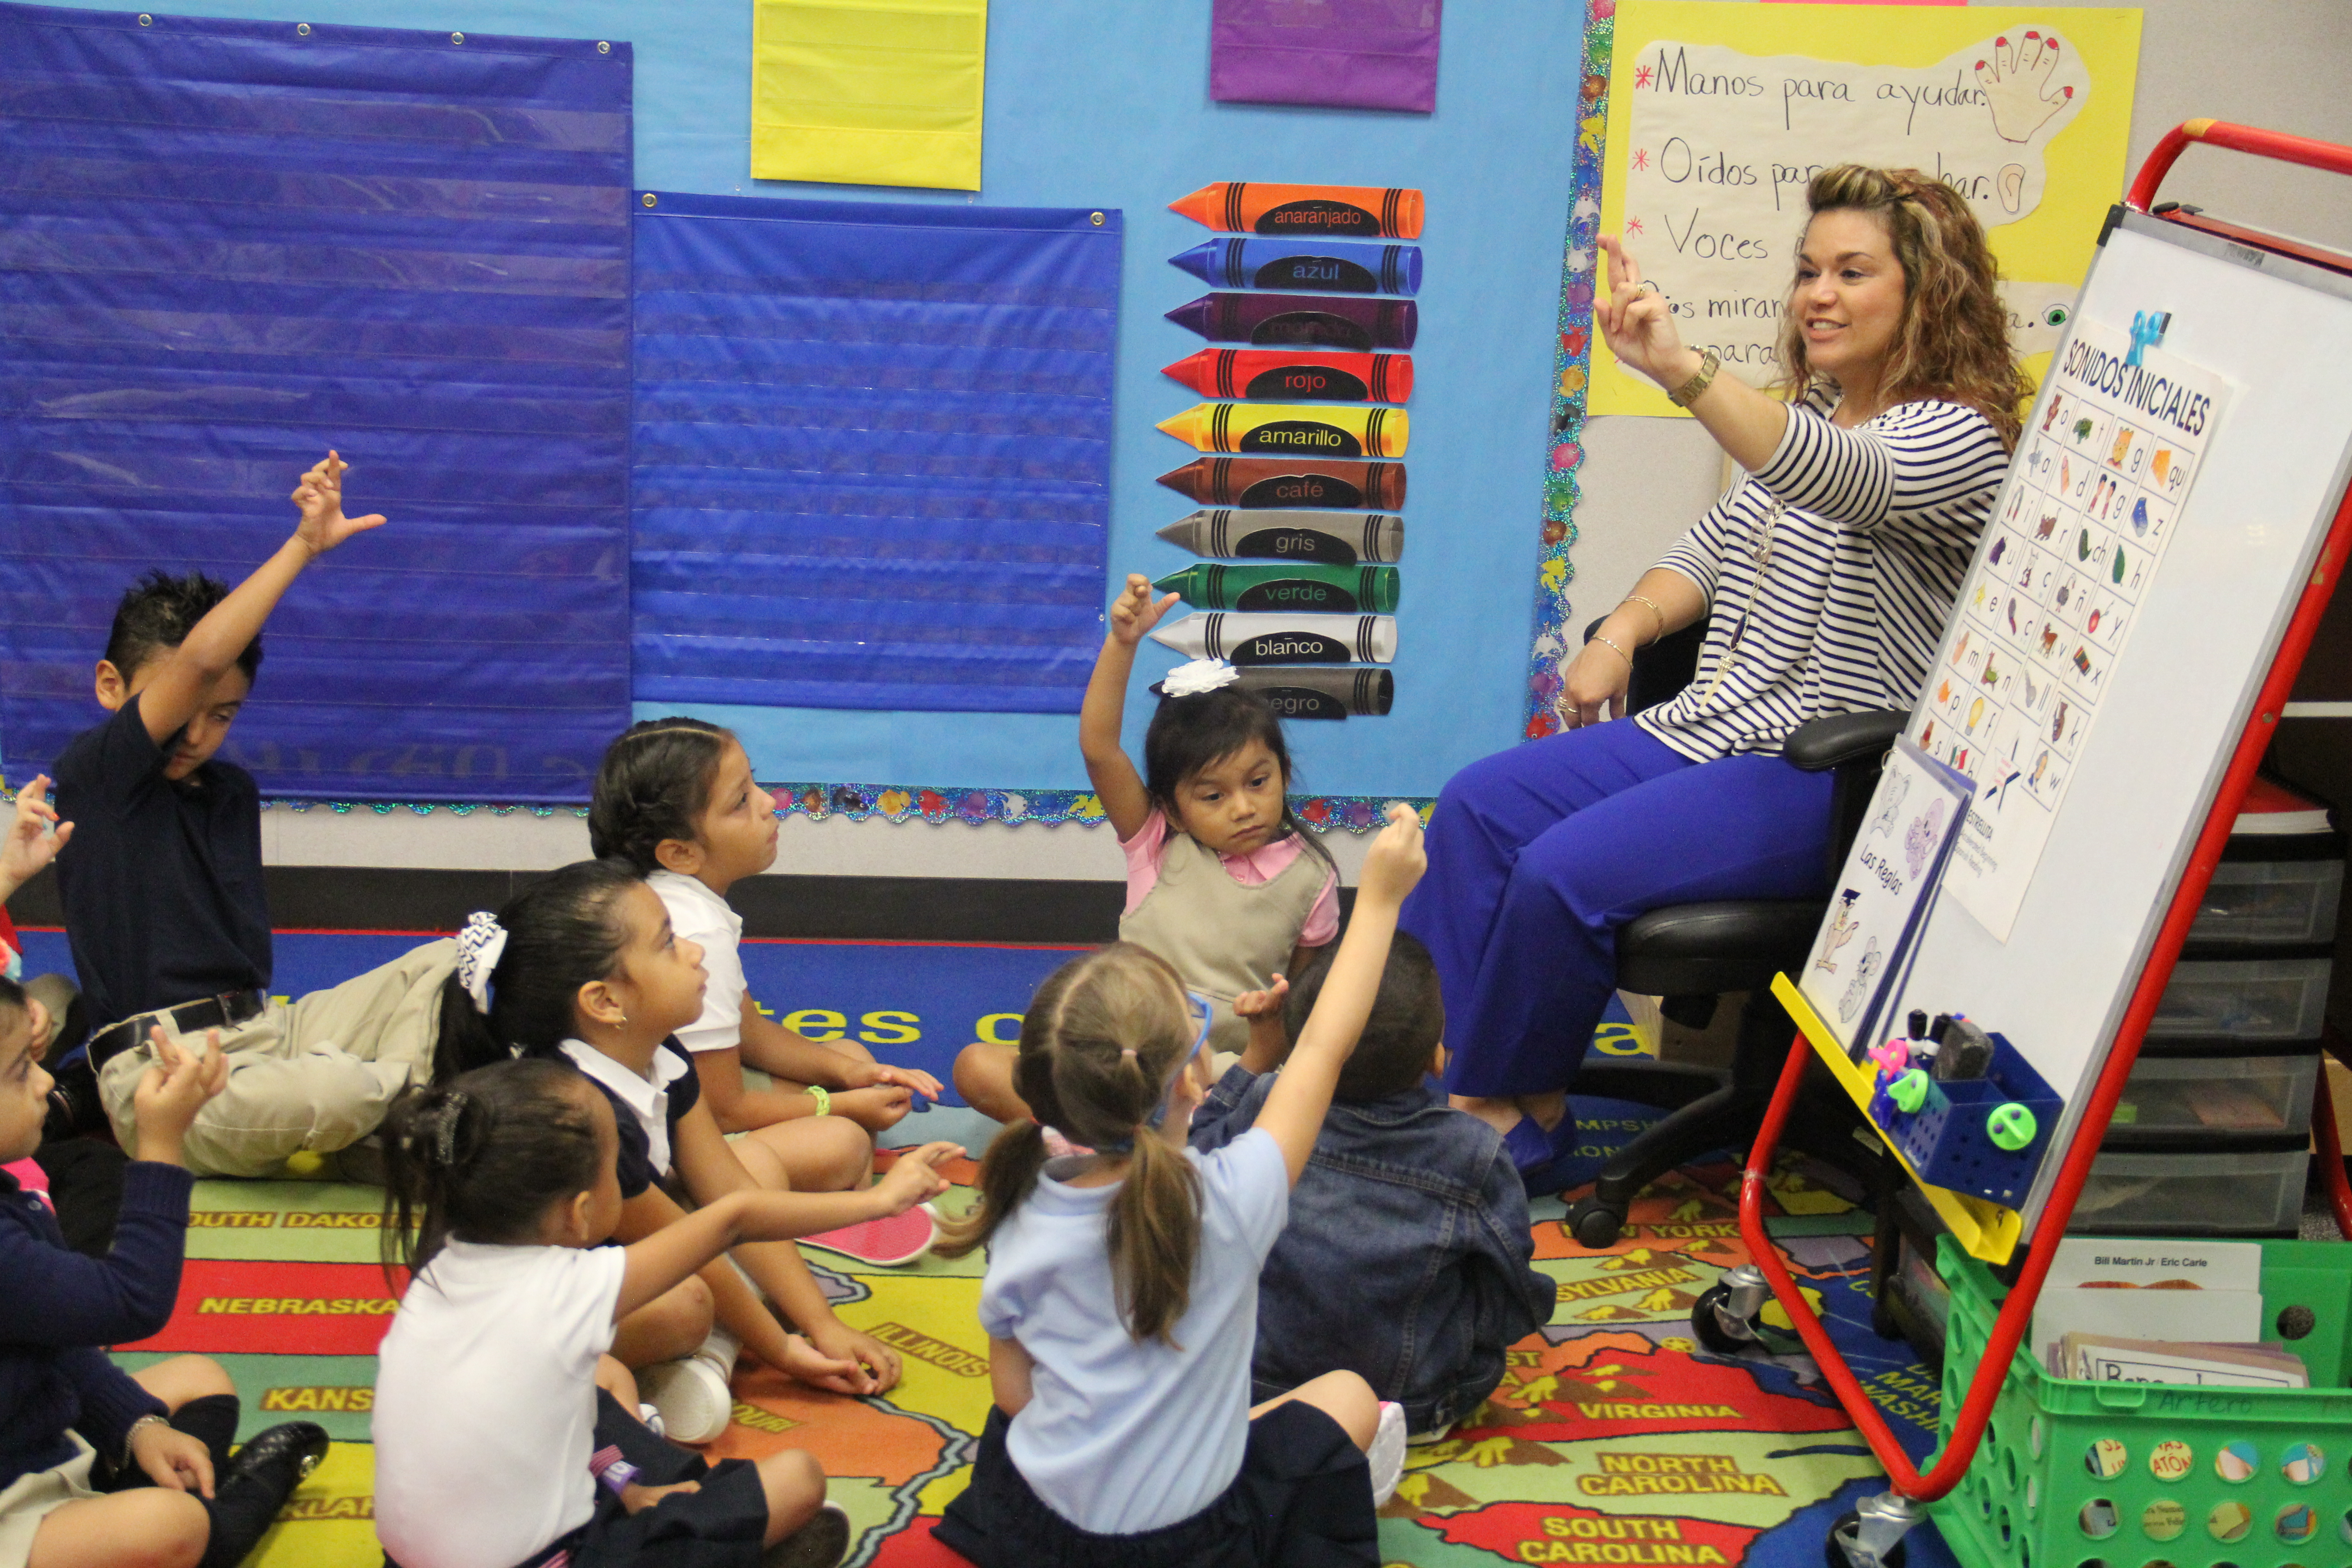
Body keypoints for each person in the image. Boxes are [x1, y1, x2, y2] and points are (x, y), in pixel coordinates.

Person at [1405, 165, 2029, 1183]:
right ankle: (1425, 1088)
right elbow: (1705, 550)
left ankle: (1515, 1112)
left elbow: (1834, 473)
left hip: (1830, 772)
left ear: (1928, 292)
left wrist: (1679, 371)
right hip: (1714, 724)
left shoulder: (1953, 438)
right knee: (1478, 806)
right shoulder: (1819, 406)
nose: (1818, 295)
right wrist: (1624, 631)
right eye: (1810, 270)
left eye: (1853, 272)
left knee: (1562, 872)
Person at [930, 804, 1427, 1568]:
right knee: (1349, 1399)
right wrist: (1383, 899)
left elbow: (1013, 1398)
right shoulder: (1229, 1196)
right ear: (1190, 1080)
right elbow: (1322, 1048)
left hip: (1039, 1533)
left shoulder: (1016, 1202)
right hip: (1190, 1547)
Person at [434, 860, 963, 1443]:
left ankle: (706, 1353)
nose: (692, 952)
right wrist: (787, 1350)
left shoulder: (662, 1054)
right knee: (690, 1305)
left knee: (755, 1169)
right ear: (605, 1002)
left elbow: (733, 1193)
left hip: (617, 1260)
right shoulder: (584, 1118)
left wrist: (821, 1324)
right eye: (667, 944)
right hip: (509, 1317)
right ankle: (689, 1365)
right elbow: (711, 1240)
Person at [371, 1057, 952, 1568]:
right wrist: (879, 1200)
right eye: (616, 1166)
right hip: (557, 1558)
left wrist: (623, 1485)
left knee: (605, 1377)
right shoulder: (572, 1290)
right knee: (798, 1481)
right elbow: (734, 1218)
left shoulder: (439, 1270)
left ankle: (629, 1486)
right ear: (577, 1214)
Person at [53, 454, 461, 1180]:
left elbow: (213, 673)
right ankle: (408, 1110)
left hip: (271, 1031)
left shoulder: (230, 792)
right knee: (329, 1087)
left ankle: (385, 1115)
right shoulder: (99, 774)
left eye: (223, 716)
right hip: (166, 1076)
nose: (198, 732)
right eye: (181, 708)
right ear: (112, 689)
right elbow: (205, 660)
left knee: (446, 964)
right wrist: (303, 544)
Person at [954, 577, 1338, 1122]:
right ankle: (1130, 1139)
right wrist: (1123, 642)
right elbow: (1099, 747)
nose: (1244, 808)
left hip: (1224, 1080)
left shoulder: (1312, 875)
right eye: (1214, 795)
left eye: (1259, 781)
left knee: (1294, 1107)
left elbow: (1302, 1005)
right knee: (977, 1066)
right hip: (1118, 1064)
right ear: (1175, 808)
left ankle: (1122, 1145)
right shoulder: (1157, 841)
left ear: (1283, 771)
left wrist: (1269, 1055)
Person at [1, 991, 329, 1568]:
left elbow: (53, 1341)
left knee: (201, 1380)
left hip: (33, 1440)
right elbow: (131, 1299)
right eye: (20, 1070)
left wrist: (137, 1426)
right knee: (173, 1525)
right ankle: (236, 1508)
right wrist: (159, 1145)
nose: (47, 1083)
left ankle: (135, 1511)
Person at [1188, 933, 1556, 1440]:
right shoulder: (1472, 1149)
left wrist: (1257, 1057)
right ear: (1436, 1057)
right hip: (1414, 1402)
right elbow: (1514, 1289)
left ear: (1304, 1045)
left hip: (1252, 1384)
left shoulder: (1267, 1102)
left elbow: (1193, 1153)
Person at [586, 718, 943, 1164]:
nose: (769, 803)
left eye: (753, 783)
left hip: (681, 1098)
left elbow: (750, 1032)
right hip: (653, 1136)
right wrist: (838, 1105)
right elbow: (723, 1110)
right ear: (680, 853)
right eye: (740, 802)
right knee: (844, 1143)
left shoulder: (675, 900)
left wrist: (852, 1075)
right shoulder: (695, 930)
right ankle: (684, 1199)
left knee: (849, 1059)